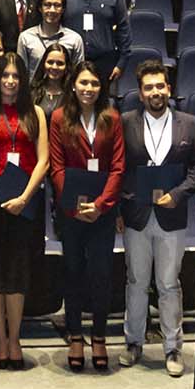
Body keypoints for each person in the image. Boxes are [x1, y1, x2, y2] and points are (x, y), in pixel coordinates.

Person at [118, 59, 195, 376]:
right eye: (148, 87)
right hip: (136, 214)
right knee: (136, 282)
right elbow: (119, 168)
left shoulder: (189, 123)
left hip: (172, 215)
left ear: (169, 88)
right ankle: (133, 342)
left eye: (160, 86)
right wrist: (118, 209)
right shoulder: (125, 122)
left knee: (168, 284)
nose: (155, 92)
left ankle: (173, 348)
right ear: (140, 93)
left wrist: (178, 194)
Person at [46, 61, 125, 372]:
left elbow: (118, 167)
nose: (88, 88)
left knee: (101, 274)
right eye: (83, 82)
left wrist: (101, 205)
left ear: (101, 87)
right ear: (73, 85)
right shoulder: (59, 118)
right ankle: (76, 335)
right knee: (73, 272)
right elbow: (57, 167)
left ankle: (99, 336)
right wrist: (76, 206)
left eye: (94, 83)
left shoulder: (112, 118)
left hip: (103, 212)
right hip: (72, 211)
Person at [0, 55, 50, 370]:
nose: (10, 81)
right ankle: (0, 337)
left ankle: (15, 337)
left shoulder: (35, 113)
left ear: (23, 80)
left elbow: (44, 160)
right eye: (5, 75)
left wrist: (24, 197)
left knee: (18, 269)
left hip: (26, 195)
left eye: (15, 76)